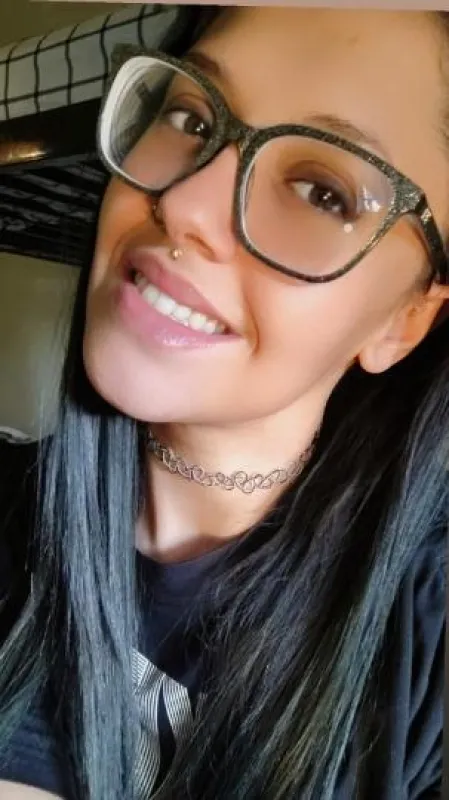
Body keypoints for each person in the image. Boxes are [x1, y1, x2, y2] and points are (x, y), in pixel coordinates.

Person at [1, 5, 449, 799]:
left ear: (402, 321)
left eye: (321, 192)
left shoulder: (424, 641)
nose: (183, 202)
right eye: (190, 118)